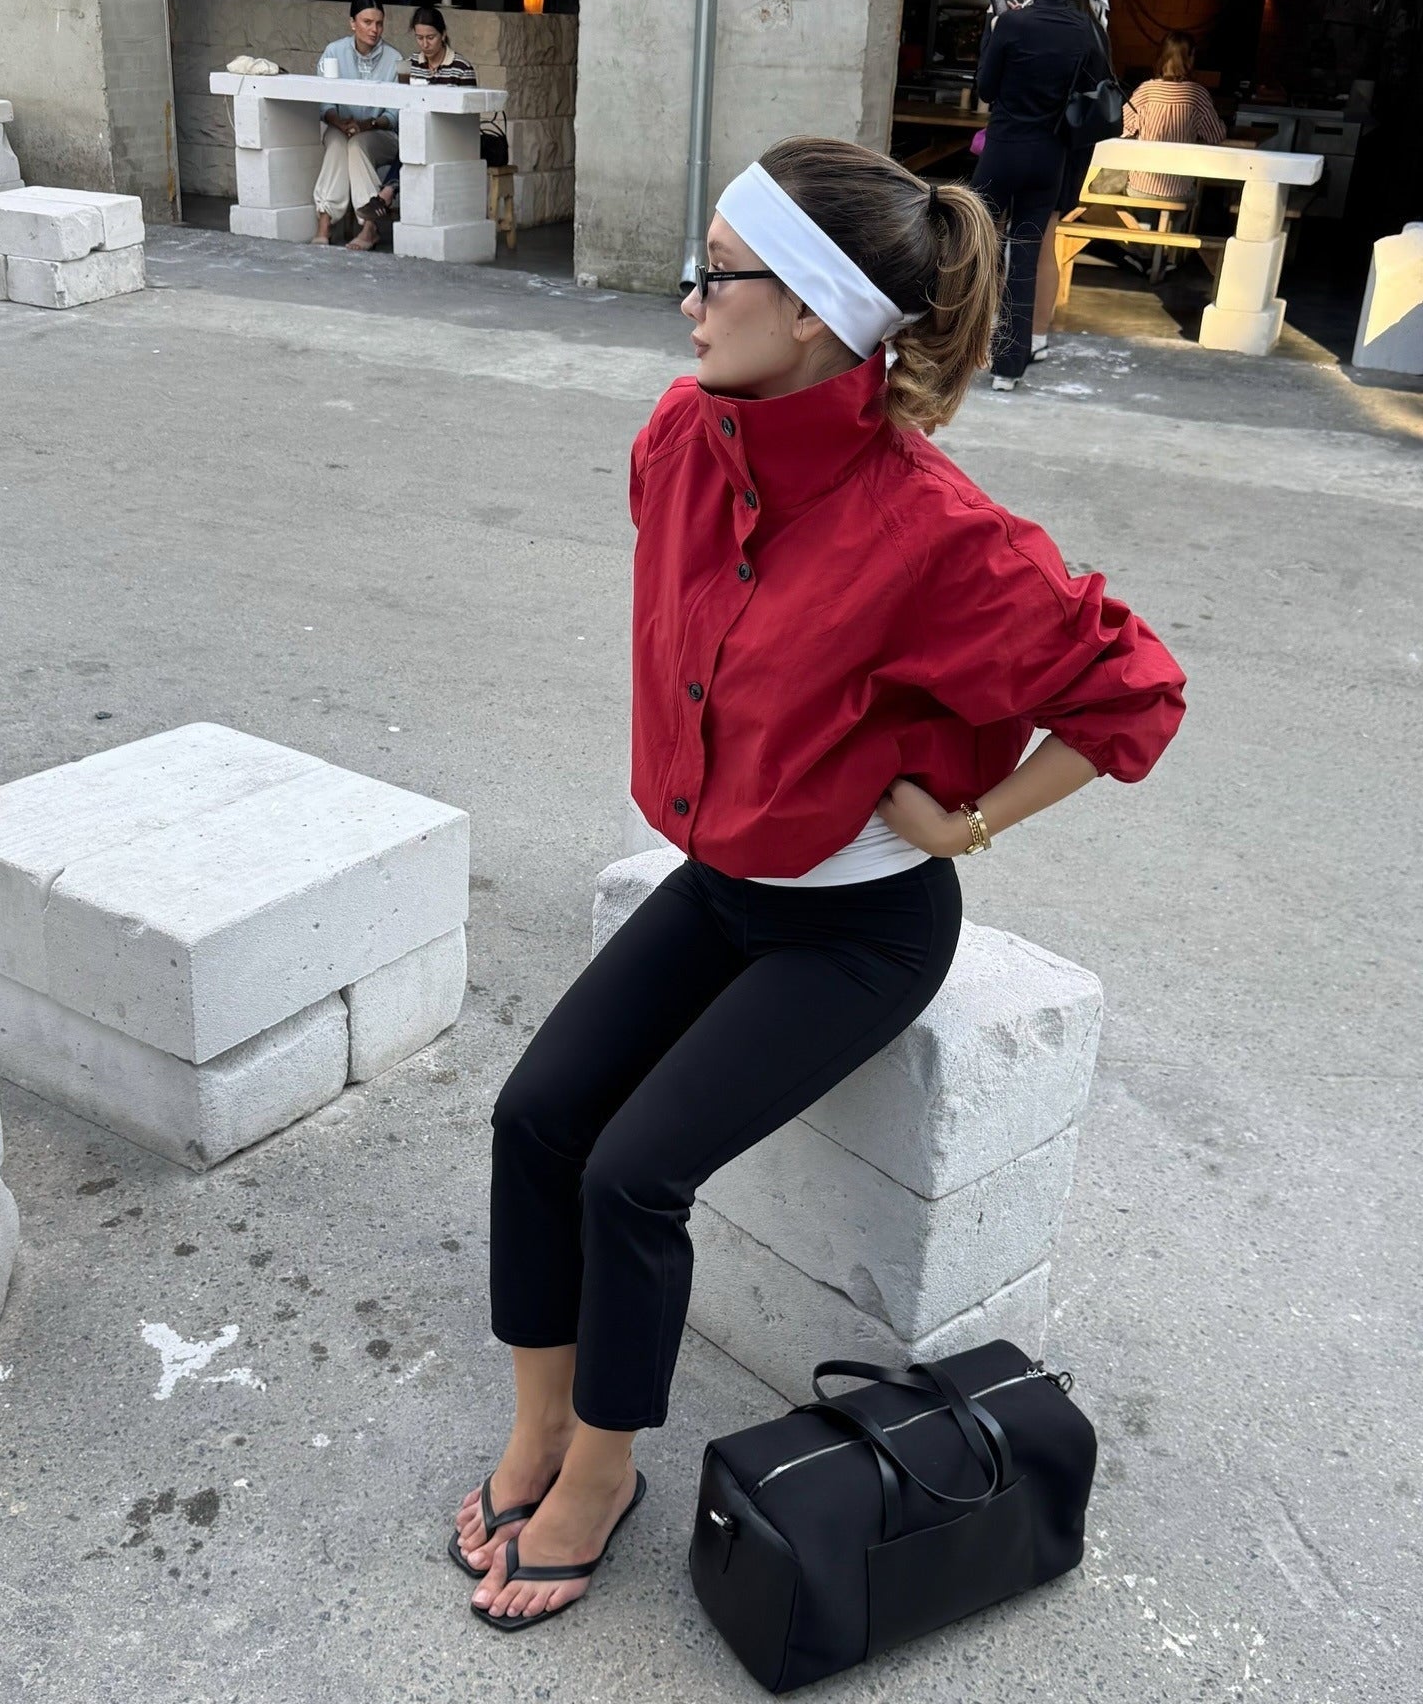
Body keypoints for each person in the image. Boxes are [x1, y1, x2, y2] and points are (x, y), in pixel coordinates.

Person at [450, 136, 1186, 1630]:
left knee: (631, 1172)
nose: (687, 306)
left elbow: (1136, 690)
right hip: (723, 884)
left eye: (713, 275)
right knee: (536, 1117)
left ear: (810, 315)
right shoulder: (680, 436)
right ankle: (535, 1424)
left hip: (855, 929)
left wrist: (965, 817)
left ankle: (599, 1470)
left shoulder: (936, 533)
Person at [972, 0, 1109, 389]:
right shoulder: (1079, 31)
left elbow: (987, 88)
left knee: (975, 247)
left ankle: (958, 347)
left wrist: (994, 28)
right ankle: (1009, 371)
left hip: (1004, 150)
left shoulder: (1012, 24)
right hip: (1050, 155)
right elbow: (1090, 91)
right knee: (1026, 254)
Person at [1032, 0, 1112, 361]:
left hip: (1052, 146)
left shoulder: (1069, 32)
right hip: (1076, 150)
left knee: (1034, 244)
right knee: (1048, 242)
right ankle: (1039, 335)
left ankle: (1028, 333)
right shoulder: (1096, 32)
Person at [359, 7, 478, 229]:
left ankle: (385, 195)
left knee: (417, 144)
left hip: (452, 138)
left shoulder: (461, 67)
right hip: (417, 137)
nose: (425, 44)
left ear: (443, 34)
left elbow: (468, 117)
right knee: (415, 143)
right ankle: (386, 196)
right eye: (419, 38)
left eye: (431, 37)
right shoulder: (411, 65)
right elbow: (402, 104)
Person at [313, 0, 407, 252]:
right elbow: (323, 102)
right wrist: (338, 122)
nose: (374, 29)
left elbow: (395, 114)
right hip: (341, 128)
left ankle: (369, 226)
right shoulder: (334, 52)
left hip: (380, 135)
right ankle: (325, 220)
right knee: (337, 143)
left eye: (379, 23)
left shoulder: (394, 58)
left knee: (356, 145)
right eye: (367, 22)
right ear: (352, 23)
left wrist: (370, 123)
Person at [1120, 32, 1227, 200]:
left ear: (1161, 57)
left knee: (1140, 222)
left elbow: (1121, 127)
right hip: (1179, 191)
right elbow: (1216, 136)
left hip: (1140, 188)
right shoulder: (1197, 94)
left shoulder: (1145, 91)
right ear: (1190, 58)